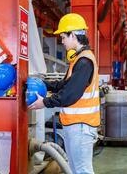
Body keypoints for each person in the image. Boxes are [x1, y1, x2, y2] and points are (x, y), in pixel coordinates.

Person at [28, 13, 100, 174]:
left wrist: (44, 102)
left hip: (81, 126)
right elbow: (63, 85)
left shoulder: (84, 61)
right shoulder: (78, 59)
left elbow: (69, 95)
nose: (62, 41)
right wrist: (42, 84)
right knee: (75, 170)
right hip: (75, 125)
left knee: (82, 171)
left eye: (63, 37)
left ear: (73, 35)